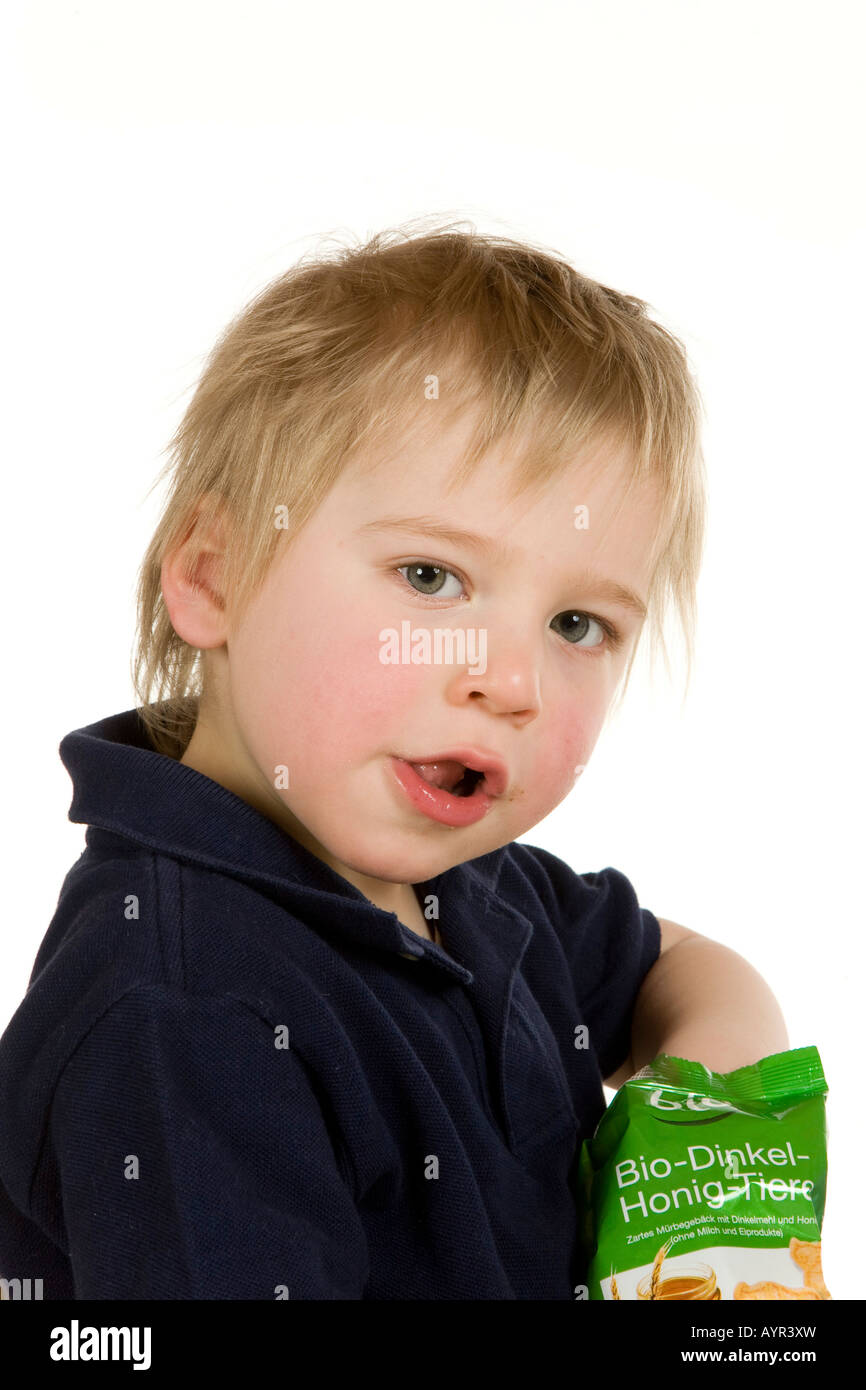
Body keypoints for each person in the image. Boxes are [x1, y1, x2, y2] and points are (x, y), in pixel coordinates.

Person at [0, 222, 788, 1299]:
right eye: (430, 577)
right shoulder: (186, 1014)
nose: (507, 679)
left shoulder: (469, 889)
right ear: (213, 577)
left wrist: (719, 1092)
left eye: (574, 624)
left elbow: (676, 964)